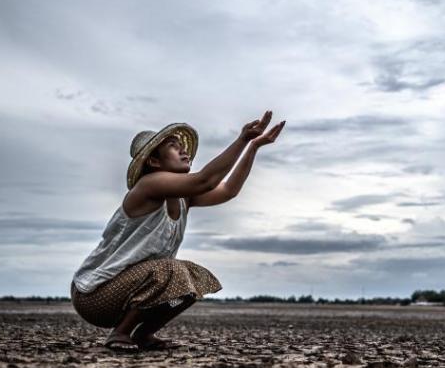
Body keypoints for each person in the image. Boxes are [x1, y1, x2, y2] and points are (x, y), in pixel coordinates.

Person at [70, 111, 285, 350]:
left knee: (191, 278)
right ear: (154, 162)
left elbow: (227, 190)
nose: (184, 151)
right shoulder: (149, 186)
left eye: (183, 147)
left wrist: (253, 147)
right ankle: (119, 334)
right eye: (174, 147)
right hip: (95, 295)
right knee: (171, 269)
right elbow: (205, 180)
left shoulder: (184, 198)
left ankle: (143, 334)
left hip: (131, 291)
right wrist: (241, 140)